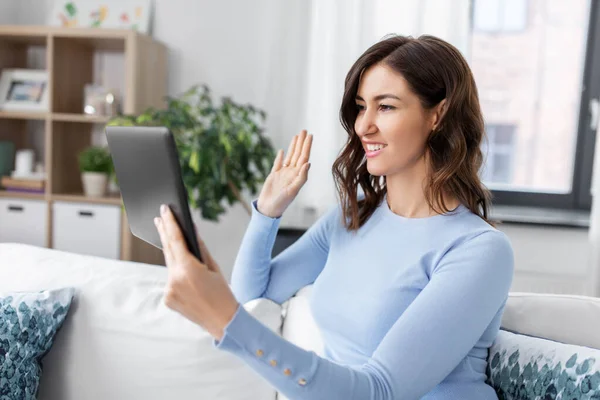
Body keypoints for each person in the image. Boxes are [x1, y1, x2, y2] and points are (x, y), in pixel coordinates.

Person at [154, 34, 514, 400]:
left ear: (438, 114)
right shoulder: (354, 215)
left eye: (385, 107)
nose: (362, 126)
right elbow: (255, 298)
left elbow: (381, 391)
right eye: (360, 107)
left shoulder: (478, 250)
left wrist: (225, 321)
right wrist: (267, 213)